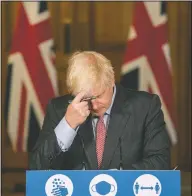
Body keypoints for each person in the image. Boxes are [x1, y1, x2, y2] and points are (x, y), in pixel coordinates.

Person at [29, 51, 171, 170]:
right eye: (86, 99)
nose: (94, 106)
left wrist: (118, 178)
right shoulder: (59, 108)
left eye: (98, 96)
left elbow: (160, 161)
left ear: (111, 80)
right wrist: (67, 125)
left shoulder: (145, 106)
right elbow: (37, 166)